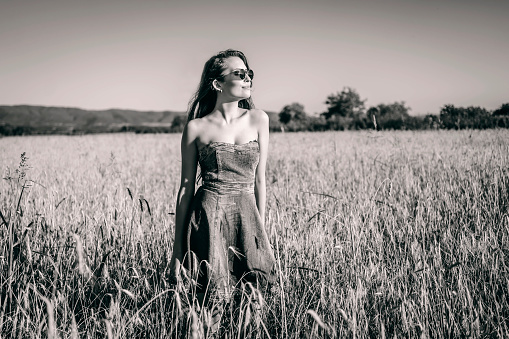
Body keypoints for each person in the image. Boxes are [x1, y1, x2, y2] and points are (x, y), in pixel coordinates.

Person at [169, 49, 276, 310]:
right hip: (208, 219)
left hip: (248, 217)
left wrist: (260, 232)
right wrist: (176, 249)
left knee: (253, 302)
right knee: (211, 302)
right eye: (239, 73)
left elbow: (260, 181)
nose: (248, 78)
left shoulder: (259, 118)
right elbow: (185, 187)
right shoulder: (196, 127)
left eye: (249, 73)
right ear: (217, 83)